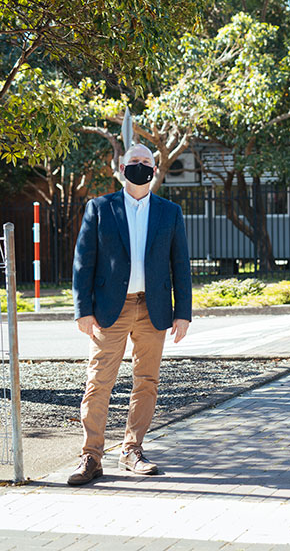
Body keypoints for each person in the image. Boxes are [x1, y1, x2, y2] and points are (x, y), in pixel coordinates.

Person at [68, 143, 192, 485]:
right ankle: (91, 456)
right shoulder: (100, 208)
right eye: (134, 161)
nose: (140, 166)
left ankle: (132, 450)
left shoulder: (170, 212)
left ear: (155, 168)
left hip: (153, 309)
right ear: (121, 167)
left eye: (146, 161)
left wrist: (183, 312)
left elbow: (180, 264)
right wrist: (83, 310)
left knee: (147, 382)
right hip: (111, 309)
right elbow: (83, 263)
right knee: (98, 382)